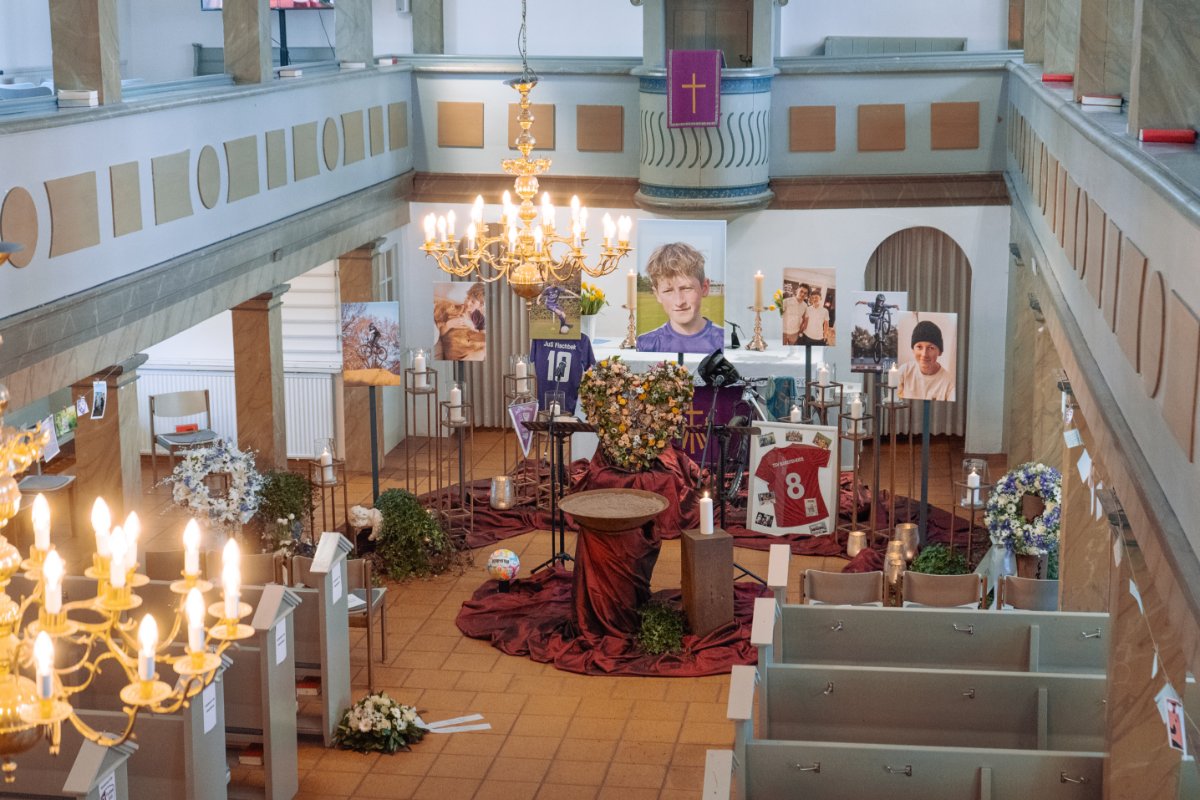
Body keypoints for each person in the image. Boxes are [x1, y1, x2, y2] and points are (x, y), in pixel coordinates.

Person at [635, 242, 724, 353]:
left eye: (686, 288)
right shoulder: (645, 345)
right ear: (657, 294)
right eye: (668, 291)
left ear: (704, 288)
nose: (679, 301)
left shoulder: (724, 341)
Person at [898, 319, 956, 401]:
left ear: (940, 352)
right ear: (913, 350)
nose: (924, 354)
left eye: (931, 348)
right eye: (919, 347)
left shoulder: (949, 383)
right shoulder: (904, 371)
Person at [433, 283, 486, 361]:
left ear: (480, 305)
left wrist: (471, 326)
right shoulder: (455, 310)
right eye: (468, 298)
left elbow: (483, 338)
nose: (468, 303)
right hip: (457, 350)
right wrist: (448, 325)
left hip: (473, 350)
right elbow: (441, 334)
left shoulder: (479, 318)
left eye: (473, 302)